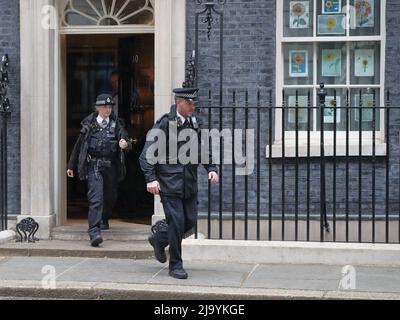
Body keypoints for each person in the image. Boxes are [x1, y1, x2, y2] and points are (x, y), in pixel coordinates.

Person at [139, 87, 219, 279]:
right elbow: (145, 156)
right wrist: (151, 178)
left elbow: (201, 149)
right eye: (190, 103)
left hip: (188, 183)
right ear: (179, 103)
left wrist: (211, 168)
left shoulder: (194, 124)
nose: (193, 106)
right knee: (177, 222)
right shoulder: (164, 125)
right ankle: (175, 265)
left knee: (189, 221)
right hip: (169, 183)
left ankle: (159, 238)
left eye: (194, 103)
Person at [67, 94, 132, 247]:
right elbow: (79, 146)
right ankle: (94, 232)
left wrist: (125, 144)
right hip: (94, 166)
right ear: (97, 108)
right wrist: (71, 165)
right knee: (96, 198)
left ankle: (103, 218)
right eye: (105, 107)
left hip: (111, 166)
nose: (108, 109)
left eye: (110, 107)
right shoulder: (89, 125)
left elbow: (128, 143)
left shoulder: (117, 125)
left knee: (110, 196)